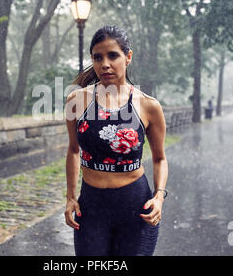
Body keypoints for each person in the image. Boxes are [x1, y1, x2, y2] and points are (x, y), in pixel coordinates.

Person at [64, 25, 169, 256]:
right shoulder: (77, 100)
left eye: (113, 55)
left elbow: (160, 158)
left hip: (135, 206)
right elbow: (73, 151)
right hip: (91, 206)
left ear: (128, 57)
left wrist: (159, 197)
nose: (105, 64)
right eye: (97, 57)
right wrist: (71, 197)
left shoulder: (148, 106)